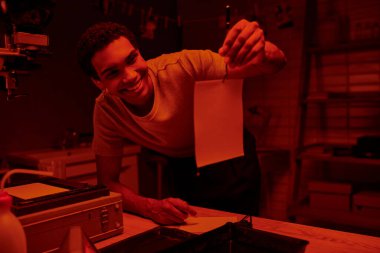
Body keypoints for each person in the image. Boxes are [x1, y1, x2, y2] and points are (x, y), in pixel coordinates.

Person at [77, 19, 286, 225]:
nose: (130, 76)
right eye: (113, 72)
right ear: (98, 82)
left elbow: (276, 63)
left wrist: (261, 51)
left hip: (230, 158)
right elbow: (107, 181)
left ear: (139, 52)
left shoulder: (185, 65)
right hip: (182, 167)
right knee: (190, 236)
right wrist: (150, 207)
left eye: (132, 59)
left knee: (241, 233)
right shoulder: (106, 110)